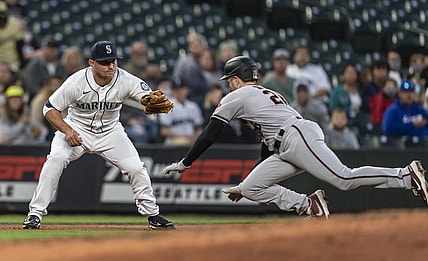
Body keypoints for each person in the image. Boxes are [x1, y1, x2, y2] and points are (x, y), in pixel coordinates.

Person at [162, 56, 428, 219]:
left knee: (344, 178)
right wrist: (248, 182)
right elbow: (267, 146)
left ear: (238, 78)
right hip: (287, 141)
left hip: (295, 136)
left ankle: (405, 175)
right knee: (251, 187)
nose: (228, 83)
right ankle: (308, 204)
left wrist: (187, 162)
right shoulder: (260, 95)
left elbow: (210, 132)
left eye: (230, 78)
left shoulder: (237, 96)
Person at [22, 40, 175, 229]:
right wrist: (67, 130)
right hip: (77, 128)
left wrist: (148, 99)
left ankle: (153, 215)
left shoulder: (126, 79)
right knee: (56, 158)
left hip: (110, 132)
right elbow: (49, 109)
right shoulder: (76, 82)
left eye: (113, 61)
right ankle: (35, 213)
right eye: (105, 62)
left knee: (136, 168)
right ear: (91, 63)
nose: (111, 66)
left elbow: (146, 95)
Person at [23, 36, 68, 101]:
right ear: (43, 49)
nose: (51, 51)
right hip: (38, 99)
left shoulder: (61, 66)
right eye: (49, 48)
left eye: (54, 48)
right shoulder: (34, 65)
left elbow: (65, 83)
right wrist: (47, 94)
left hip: (59, 100)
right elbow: (32, 86)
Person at [29, 75, 64, 142]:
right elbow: (34, 121)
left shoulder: (66, 98)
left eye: (58, 84)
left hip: (62, 128)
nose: (55, 87)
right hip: (44, 129)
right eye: (53, 84)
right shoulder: (40, 100)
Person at [0, 1, 23, 71]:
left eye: (2, 13)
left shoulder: (14, 24)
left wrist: (21, 63)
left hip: (13, 63)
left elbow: (19, 45)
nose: (1, 16)